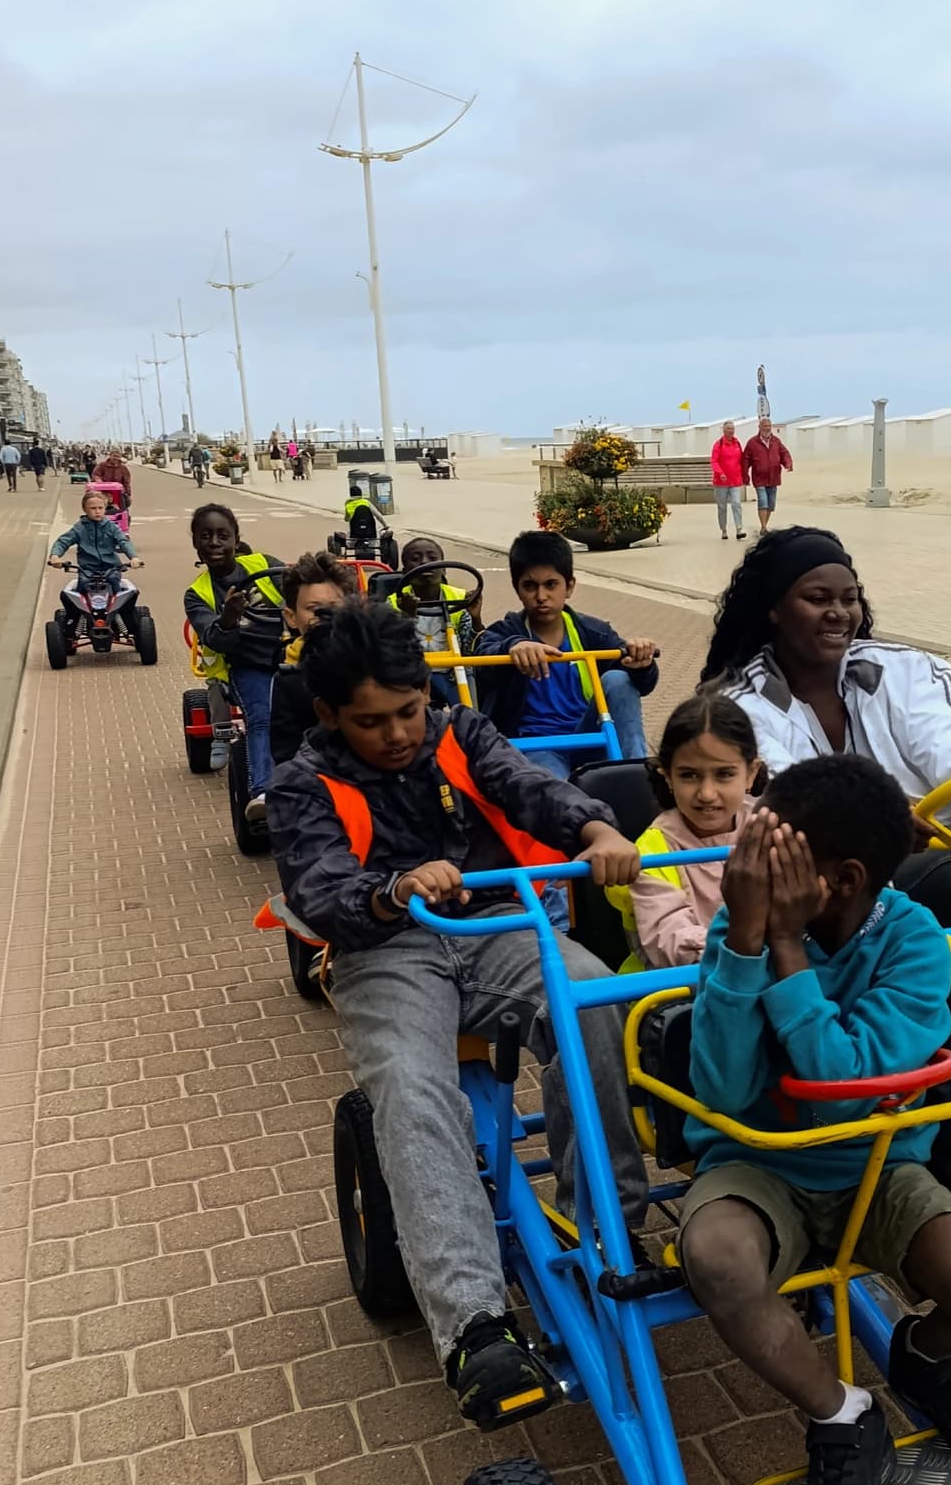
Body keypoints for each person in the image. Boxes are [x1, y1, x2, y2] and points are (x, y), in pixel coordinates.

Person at [265, 601, 645, 1424]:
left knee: (590, 1008)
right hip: (384, 949)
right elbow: (320, 888)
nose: (399, 733)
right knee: (410, 1083)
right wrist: (393, 888)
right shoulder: (302, 783)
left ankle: (612, 1232)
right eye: (373, 722)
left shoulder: (460, 733)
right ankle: (475, 1325)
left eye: (410, 710)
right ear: (330, 715)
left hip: (498, 926)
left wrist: (591, 826)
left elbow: (530, 786)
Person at [678, 757, 951, 1485]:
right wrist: (748, 943)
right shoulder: (738, 931)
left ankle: (927, 1361)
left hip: (879, 1170)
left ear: (839, 880)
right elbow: (723, 1090)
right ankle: (843, 1415)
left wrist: (784, 950)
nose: (747, 867)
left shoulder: (912, 943)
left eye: (770, 855)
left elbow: (844, 1092)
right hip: (759, 1166)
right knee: (715, 1256)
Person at [704, 527, 951, 925]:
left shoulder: (910, 670)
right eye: (817, 599)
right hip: (817, 883)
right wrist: (878, 823)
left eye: (850, 599)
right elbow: (785, 793)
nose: (838, 612)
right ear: (774, 609)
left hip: (918, 859)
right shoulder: (737, 705)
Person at [473, 531, 660, 766]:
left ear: (569, 587)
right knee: (556, 796)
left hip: (591, 737)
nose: (541, 596)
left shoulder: (595, 632)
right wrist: (513, 647)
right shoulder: (504, 633)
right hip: (538, 747)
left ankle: (637, 775)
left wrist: (643, 663)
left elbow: (641, 684)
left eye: (551, 585)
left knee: (619, 680)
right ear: (517, 589)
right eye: (530, 586)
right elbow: (483, 658)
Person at [607, 692, 762, 970]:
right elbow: (670, 940)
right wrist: (751, 950)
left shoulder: (770, 829)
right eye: (689, 775)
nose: (706, 793)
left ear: (751, 773)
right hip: (678, 995)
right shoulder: (652, 853)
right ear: (667, 776)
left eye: (724, 774)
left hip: (763, 977)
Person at [183, 504, 287, 819]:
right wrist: (227, 618)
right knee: (261, 717)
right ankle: (262, 792)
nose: (214, 542)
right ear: (196, 544)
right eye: (206, 536)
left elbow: (301, 595)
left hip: (291, 655)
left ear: (236, 539)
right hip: (247, 665)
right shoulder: (197, 594)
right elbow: (216, 639)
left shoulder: (265, 565)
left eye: (222, 535)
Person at [270, 552, 359, 770]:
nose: (325, 616)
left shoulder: (371, 665)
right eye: (313, 609)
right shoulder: (289, 680)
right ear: (291, 617)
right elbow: (286, 754)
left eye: (334, 607)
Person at [388, 535, 482, 705]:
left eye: (432, 558)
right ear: (404, 572)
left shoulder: (460, 598)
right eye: (416, 559)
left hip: (454, 672)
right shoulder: (394, 602)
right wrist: (407, 616)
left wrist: (476, 618)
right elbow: (392, 649)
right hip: (411, 673)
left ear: (444, 568)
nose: (425, 563)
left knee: (472, 713)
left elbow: (470, 649)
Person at [48, 488, 141, 613]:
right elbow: (63, 541)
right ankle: (76, 618)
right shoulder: (80, 528)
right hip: (87, 569)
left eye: (100, 508)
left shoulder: (111, 527)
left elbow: (124, 541)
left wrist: (133, 557)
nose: (97, 511)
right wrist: (55, 556)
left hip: (111, 567)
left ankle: (120, 615)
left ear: (105, 508)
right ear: (85, 509)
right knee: (81, 588)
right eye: (93, 508)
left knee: (115, 584)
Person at [742, 412, 793, 536]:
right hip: (759, 478)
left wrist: (788, 463)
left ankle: (764, 524)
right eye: (764, 426)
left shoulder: (776, 441)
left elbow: (784, 453)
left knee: (770, 504)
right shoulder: (752, 442)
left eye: (769, 426)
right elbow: (746, 459)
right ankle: (764, 527)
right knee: (763, 501)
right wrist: (745, 475)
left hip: (773, 477)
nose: (767, 428)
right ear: (759, 427)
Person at [711, 420, 747, 543]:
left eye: (732, 429)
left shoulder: (737, 443)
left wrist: (743, 474)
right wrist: (720, 473)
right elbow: (714, 461)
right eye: (728, 429)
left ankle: (739, 529)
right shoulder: (718, 444)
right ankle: (724, 529)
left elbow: (741, 460)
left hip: (735, 480)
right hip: (721, 482)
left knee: (736, 504)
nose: (730, 431)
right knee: (722, 507)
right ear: (724, 430)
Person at [93, 447, 134, 517]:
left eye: (118, 456)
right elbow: (96, 475)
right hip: (103, 492)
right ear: (110, 456)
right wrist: (100, 482)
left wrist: (128, 493)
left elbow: (127, 482)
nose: (115, 458)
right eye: (114, 456)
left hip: (118, 493)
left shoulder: (123, 468)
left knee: (124, 512)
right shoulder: (102, 465)